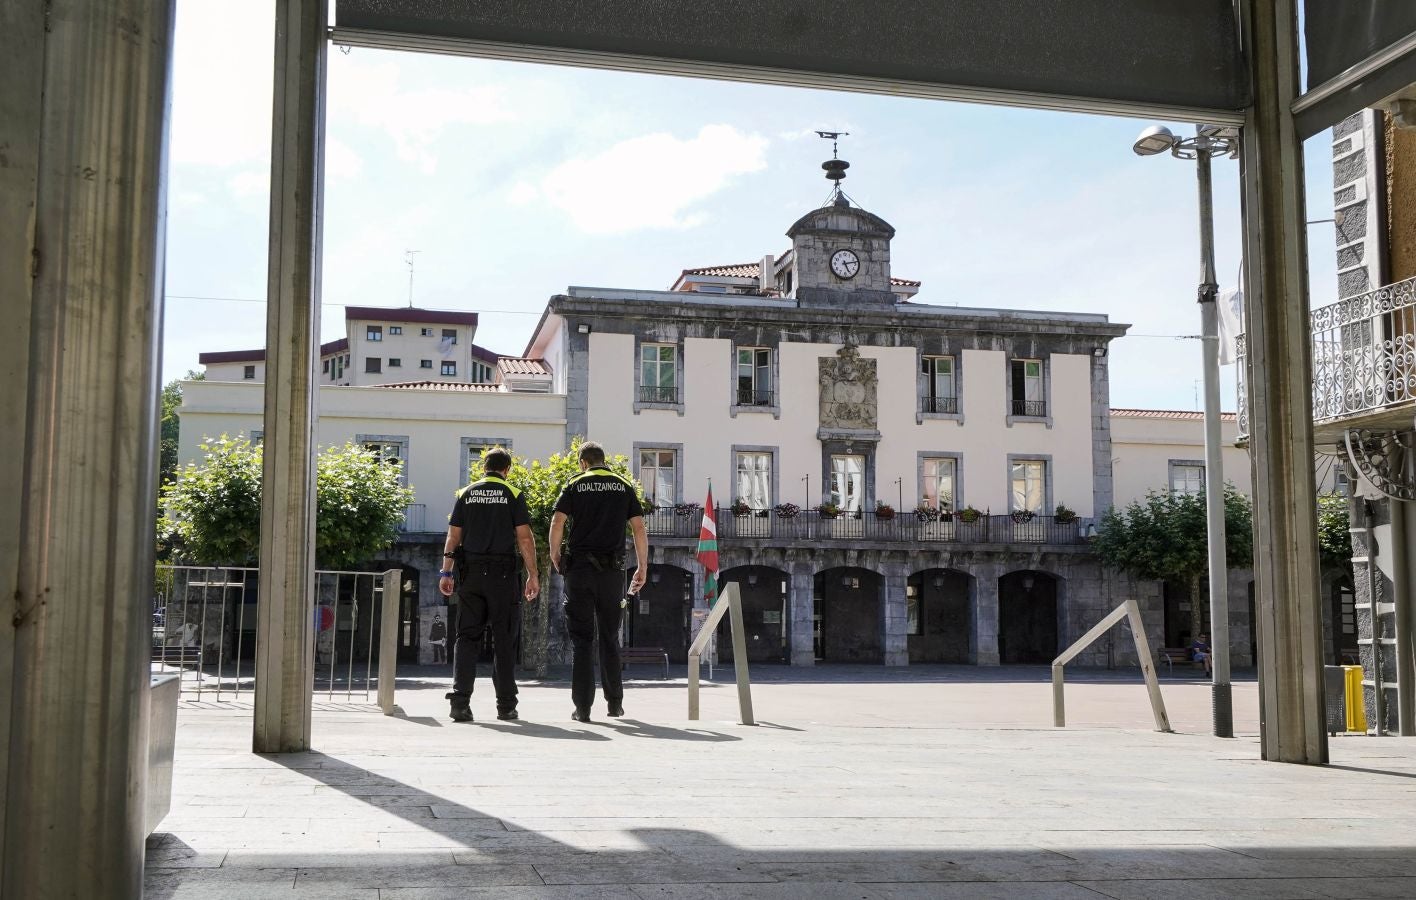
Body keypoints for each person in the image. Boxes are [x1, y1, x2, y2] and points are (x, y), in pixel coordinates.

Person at [549, 441, 648, 722]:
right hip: (612, 574)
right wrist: (642, 566)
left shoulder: (575, 484)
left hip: (579, 571)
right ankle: (615, 704)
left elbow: (557, 521)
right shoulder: (623, 485)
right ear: (603, 461)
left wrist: (556, 555)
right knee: (609, 637)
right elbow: (638, 527)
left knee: (582, 641)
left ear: (583, 462)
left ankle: (582, 709)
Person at [439, 448, 539, 723]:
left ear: (484, 467)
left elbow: (453, 537)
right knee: (504, 640)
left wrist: (445, 573)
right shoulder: (513, 494)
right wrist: (533, 574)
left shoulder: (465, 493)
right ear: (506, 469)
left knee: (466, 638)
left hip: (470, 575)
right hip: (503, 576)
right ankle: (505, 706)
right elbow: (525, 539)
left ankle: (460, 703)